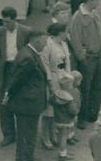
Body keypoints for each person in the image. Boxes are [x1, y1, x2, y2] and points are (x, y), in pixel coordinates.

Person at [0, 6, 31, 147]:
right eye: (3, 22)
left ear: (15, 19)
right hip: (4, 70)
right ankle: (8, 134)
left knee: (20, 101)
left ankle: (23, 134)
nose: (5, 25)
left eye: (7, 22)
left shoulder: (26, 32)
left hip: (19, 69)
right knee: (4, 103)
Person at [4, 29, 49, 161]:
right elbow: (17, 80)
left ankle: (28, 157)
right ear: (37, 40)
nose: (45, 45)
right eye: (44, 41)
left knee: (29, 134)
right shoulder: (28, 58)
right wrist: (8, 94)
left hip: (28, 103)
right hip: (27, 104)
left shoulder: (28, 53)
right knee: (26, 135)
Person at [70, 0, 101, 129]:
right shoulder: (78, 18)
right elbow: (75, 39)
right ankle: (82, 117)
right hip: (88, 57)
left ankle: (93, 114)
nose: (98, 2)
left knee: (97, 86)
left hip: (99, 55)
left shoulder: (94, 14)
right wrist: (81, 57)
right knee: (85, 88)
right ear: (90, 0)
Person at [41, 22, 73, 150]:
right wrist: (50, 83)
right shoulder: (48, 45)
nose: (67, 34)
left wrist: (68, 76)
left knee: (59, 108)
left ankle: (53, 134)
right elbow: (45, 65)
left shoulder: (64, 44)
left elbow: (67, 61)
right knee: (49, 109)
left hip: (63, 78)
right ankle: (45, 137)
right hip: (52, 78)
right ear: (60, 33)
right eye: (66, 31)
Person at [52, 72, 81, 161]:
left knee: (61, 136)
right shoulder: (69, 98)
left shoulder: (56, 95)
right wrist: (76, 112)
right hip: (66, 121)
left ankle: (62, 151)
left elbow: (50, 101)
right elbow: (72, 111)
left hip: (57, 119)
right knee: (64, 137)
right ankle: (62, 154)